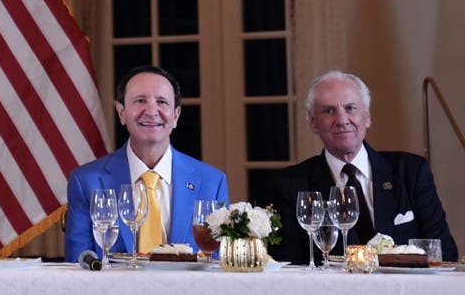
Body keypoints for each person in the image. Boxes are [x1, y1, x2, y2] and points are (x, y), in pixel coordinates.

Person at [269, 70, 458, 264]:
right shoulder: (291, 186)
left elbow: (443, 253)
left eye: (350, 108)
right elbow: (288, 268)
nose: (342, 120)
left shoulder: (411, 172)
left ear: (367, 116)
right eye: (329, 111)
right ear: (313, 122)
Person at [64, 65, 228, 261]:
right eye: (140, 100)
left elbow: (219, 263)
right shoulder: (85, 182)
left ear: (176, 116)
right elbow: (78, 263)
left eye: (162, 102)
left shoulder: (212, 182)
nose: (151, 111)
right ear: (122, 113)